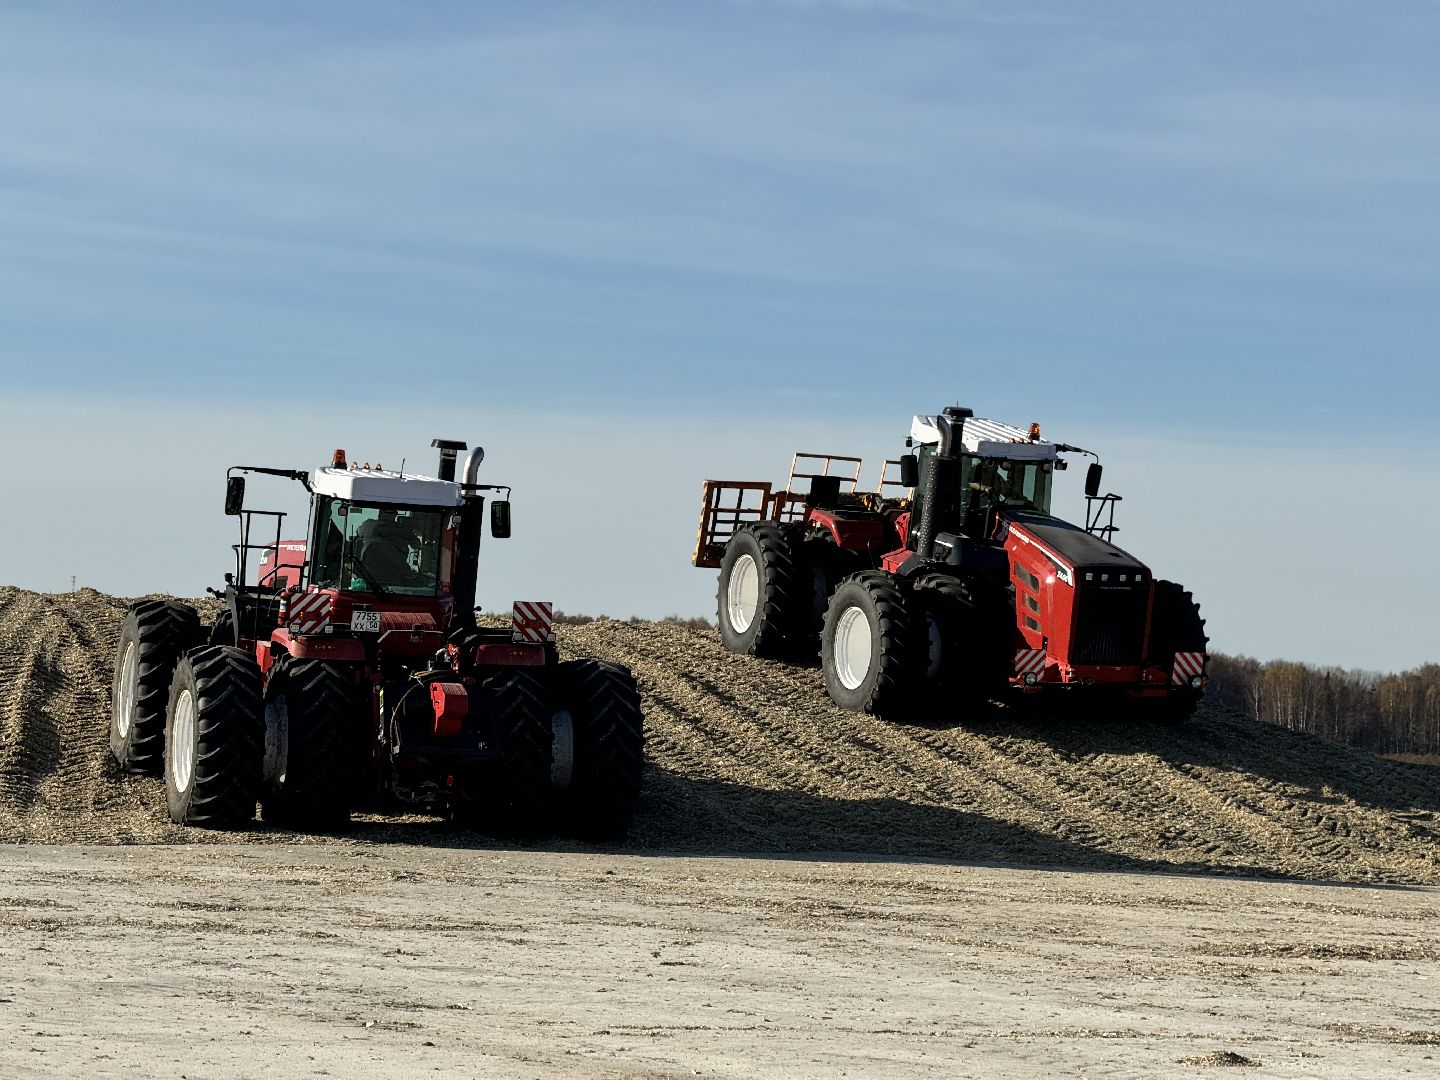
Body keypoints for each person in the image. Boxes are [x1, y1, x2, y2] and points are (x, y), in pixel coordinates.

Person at [354, 507, 422, 586]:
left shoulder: (369, 525)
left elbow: (416, 545)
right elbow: (416, 545)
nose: (387, 515)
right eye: (386, 512)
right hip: (374, 574)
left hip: (390, 575)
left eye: (390, 512)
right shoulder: (369, 525)